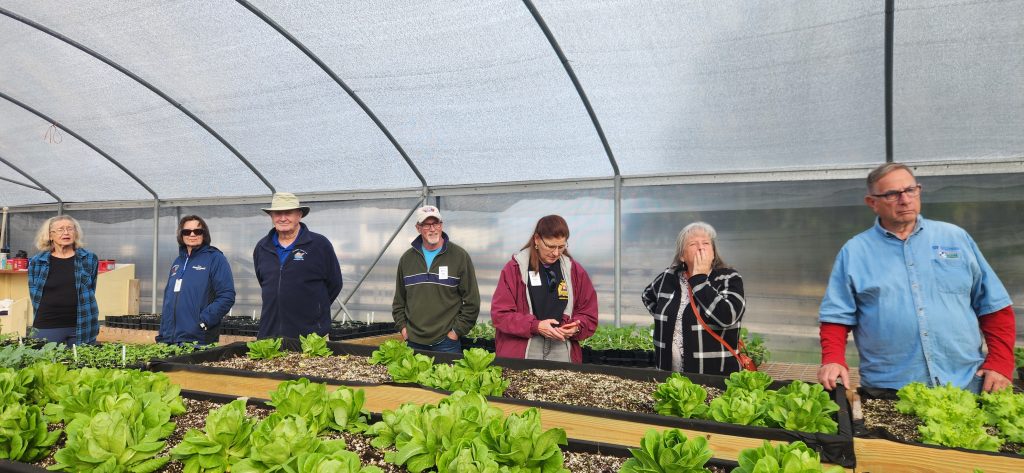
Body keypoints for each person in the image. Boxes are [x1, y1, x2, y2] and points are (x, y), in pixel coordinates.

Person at [818, 163, 1016, 394]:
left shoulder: (955, 238)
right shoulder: (855, 251)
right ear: (872, 202)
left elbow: (994, 307)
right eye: (892, 194)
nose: (905, 199)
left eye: (910, 190)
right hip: (891, 388)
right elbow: (836, 316)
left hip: (966, 383)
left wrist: (1001, 363)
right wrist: (832, 359)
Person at [642, 222, 747, 375]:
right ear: (682, 256)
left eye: (706, 243)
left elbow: (728, 317)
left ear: (713, 252)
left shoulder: (729, 277)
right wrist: (668, 319)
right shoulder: (669, 277)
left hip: (715, 377)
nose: (701, 247)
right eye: (693, 244)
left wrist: (699, 279)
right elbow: (648, 296)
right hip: (669, 375)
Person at [491, 215, 598, 363]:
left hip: (561, 347)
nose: (555, 253)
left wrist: (576, 327)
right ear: (536, 239)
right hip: (525, 347)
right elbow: (501, 315)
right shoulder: (515, 269)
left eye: (561, 247)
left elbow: (588, 313)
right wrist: (536, 326)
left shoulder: (574, 271)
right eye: (550, 246)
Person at [253, 192, 343, 339]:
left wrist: (315, 309)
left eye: (288, 213)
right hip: (270, 335)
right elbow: (265, 283)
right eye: (277, 213)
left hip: (311, 335)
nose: (282, 218)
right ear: (271, 216)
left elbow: (335, 283)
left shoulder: (319, 245)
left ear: (299, 215)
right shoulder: (262, 247)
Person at [392, 205, 480, 353]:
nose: (432, 229)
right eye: (427, 225)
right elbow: (399, 301)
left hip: (447, 344)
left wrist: (455, 332)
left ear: (441, 225)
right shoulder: (407, 260)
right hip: (413, 342)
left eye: (436, 223)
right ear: (418, 228)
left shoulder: (459, 256)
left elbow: (472, 301)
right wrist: (404, 330)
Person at [157, 215, 235, 345]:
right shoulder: (178, 261)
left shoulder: (215, 259)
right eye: (187, 231)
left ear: (204, 234)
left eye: (197, 231)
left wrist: (204, 321)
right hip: (169, 340)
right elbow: (169, 299)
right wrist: (163, 331)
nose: (192, 234)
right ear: (181, 235)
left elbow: (227, 296)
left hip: (198, 339)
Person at [27, 215, 99, 345]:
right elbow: (34, 293)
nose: (66, 232)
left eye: (70, 229)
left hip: (82, 324)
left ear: (75, 233)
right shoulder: (37, 262)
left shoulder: (89, 258)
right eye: (60, 229)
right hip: (47, 323)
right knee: (44, 363)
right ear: (50, 235)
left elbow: (91, 288)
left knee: (83, 363)